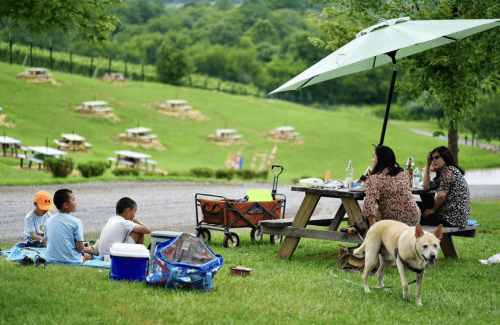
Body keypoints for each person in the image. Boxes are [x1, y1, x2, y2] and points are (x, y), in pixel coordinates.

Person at [362, 145, 421, 227]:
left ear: (380, 160)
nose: (371, 160)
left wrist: (373, 228)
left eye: (373, 157)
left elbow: (369, 207)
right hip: (414, 217)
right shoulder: (404, 174)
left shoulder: (374, 179)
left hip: (393, 221)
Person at [422, 146, 470, 227]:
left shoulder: (448, 171)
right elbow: (426, 186)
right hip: (457, 218)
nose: (434, 160)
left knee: (418, 216)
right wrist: (428, 164)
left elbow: (441, 195)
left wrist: (433, 210)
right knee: (422, 207)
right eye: (432, 159)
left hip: (452, 218)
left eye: (436, 157)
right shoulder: (443, 173)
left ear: (445, 157)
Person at [44, 189, 93, 263]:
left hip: (50, 259)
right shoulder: (76, 222)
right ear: (66, 205)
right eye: (73, 200)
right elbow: (79, 247)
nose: (76, 203)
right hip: (71, 260)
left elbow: (46, 241)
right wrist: (88, 249)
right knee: (90, 256)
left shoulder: (48, 220)